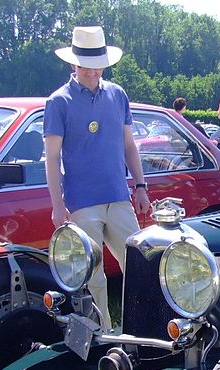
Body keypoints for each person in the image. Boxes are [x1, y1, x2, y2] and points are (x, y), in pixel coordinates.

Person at [44, 25, 150, 329]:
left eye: (97, 66)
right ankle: (103, 337)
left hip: (118, 195)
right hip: (82, 202)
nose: (92, 73)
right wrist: (57, 204)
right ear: (74, 64)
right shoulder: (58, 102)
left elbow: (129, 145)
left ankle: (142, 328)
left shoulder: (117, 95)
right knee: (94, 274)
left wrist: (140, 185)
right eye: (86, 67)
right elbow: (51, 158)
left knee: (139, 265)